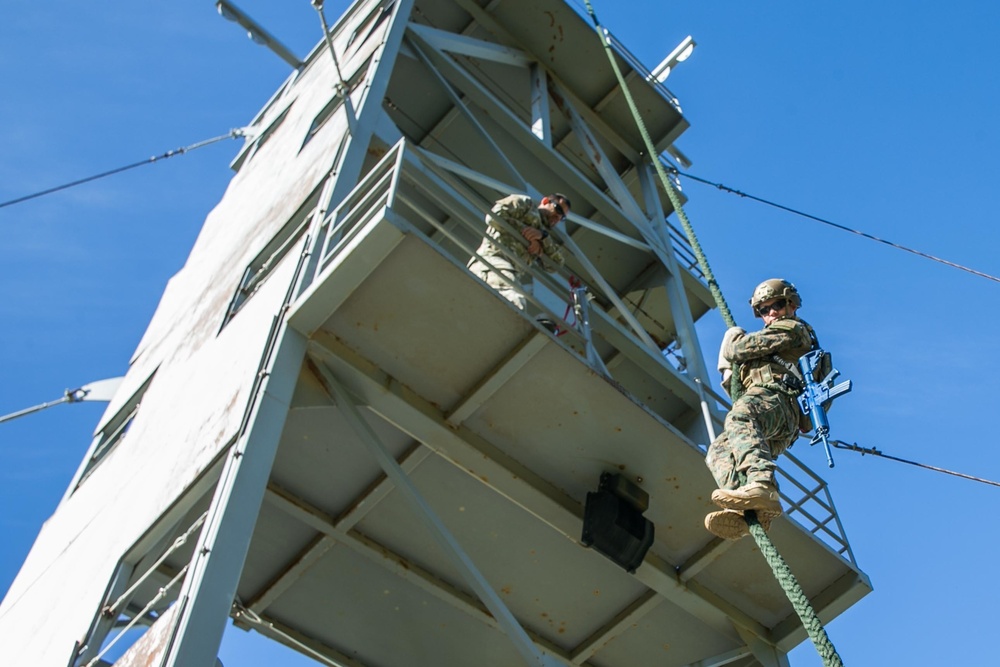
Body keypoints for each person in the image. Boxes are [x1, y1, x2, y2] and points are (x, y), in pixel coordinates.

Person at [704, 278, 822, 541]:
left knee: (740, 416)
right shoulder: (773, 338)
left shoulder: (792, 329)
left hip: (778, 401)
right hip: (770, 415)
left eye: (776, 305)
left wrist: (733, 339)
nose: (770, 313)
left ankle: (761, 485)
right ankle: (748, 505)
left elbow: (739, 349)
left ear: (791, 305)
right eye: (763, 310)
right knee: (719, 450)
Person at [467, 193, 570, 312]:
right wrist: (527, 235)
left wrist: (542, 237)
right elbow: (494, 216)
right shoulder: (526, 203)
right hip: (492, 263)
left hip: (508, 272)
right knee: (516, 304)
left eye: (562, 217)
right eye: (558, 209)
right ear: (545, 201)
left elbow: (555, 265)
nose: (558, 217)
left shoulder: (543, 237)